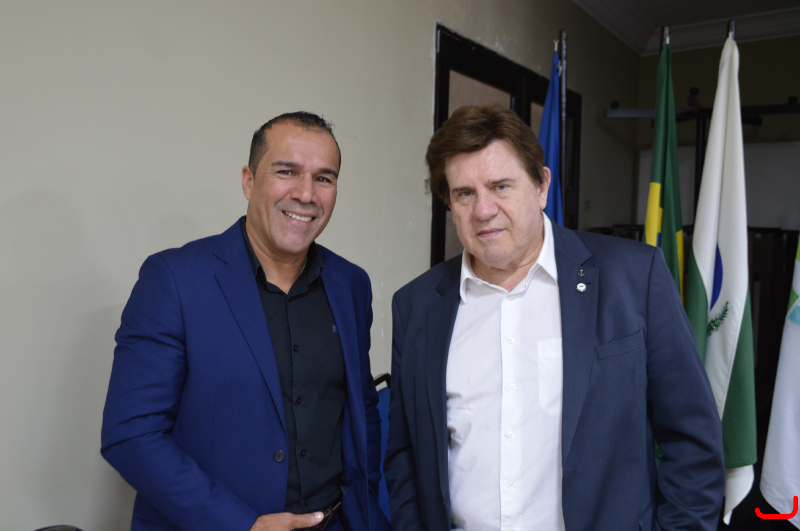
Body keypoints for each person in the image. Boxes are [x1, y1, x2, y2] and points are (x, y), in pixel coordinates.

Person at [384, 103, 725, 531]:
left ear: (542, 186)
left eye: (501, 186)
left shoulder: (634, 277)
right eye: (464, 193)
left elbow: (692, 440)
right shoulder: (417, 306)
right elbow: (406, 456)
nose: (483, 210)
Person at [102, 112, 391, 531]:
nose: (306, 194)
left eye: (324, 178)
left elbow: (362, 409)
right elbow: (131, 435)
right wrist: (242, 525)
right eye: (287, 172)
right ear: (248, 181)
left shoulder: (351, 284)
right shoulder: (174, 280)